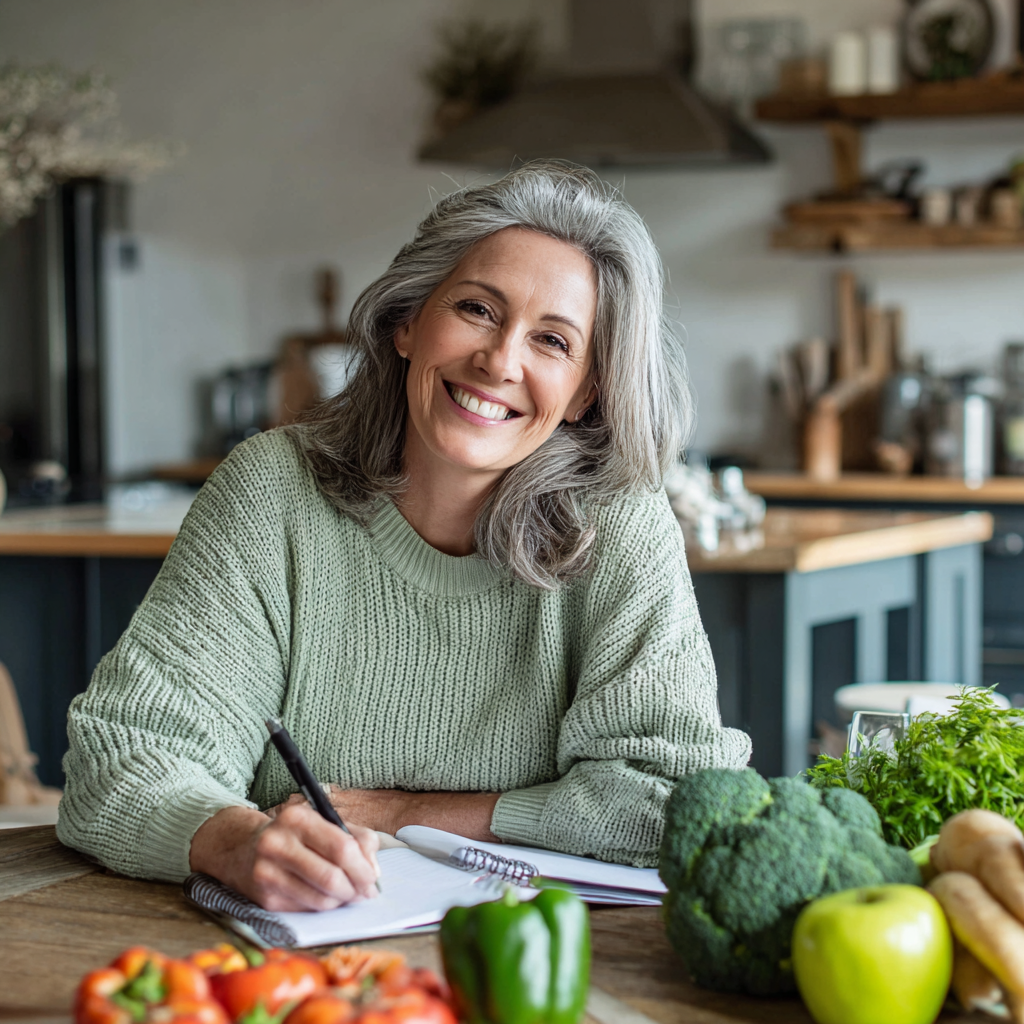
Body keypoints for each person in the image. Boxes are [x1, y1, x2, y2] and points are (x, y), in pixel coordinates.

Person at [58, 161, 751, 912]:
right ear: (407, 321)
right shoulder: (273, 494)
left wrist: (395, 814)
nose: (500, 360)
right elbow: (123, 761)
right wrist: (233, 840)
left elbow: (671, 798)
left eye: (552, 340)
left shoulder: (620, 523)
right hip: (299, 968)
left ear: (588, 390)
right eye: (479, 310)